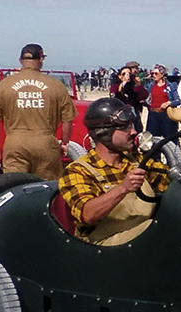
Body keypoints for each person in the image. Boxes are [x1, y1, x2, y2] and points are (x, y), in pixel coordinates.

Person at [59, 97, 171, 245]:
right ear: (103, 132)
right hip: (104, 246)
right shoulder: (78, 170)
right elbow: (87, 214)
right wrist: (123, 188)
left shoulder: (136, 161)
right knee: (165, 230)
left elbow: (173, 182)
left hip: (143, 238)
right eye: (124, 128)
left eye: (131, 125)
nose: (133, 132)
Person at [0, 44, 76, 179]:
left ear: (20, 59)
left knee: (14, 186)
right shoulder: (55, 85)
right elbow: (67, 118)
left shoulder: (5, 84)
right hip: (45, 143)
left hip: (15, 143)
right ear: (41, 58)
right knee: (46, 189)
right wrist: (64, 143)